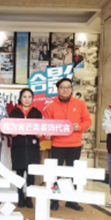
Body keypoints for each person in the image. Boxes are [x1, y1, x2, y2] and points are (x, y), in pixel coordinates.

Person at [42, 78, 93, 210]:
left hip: (74, 144)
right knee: (55, 173)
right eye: (62, 87)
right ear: (58, 89)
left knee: (73, 173)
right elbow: (46, 124)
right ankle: (54, 200)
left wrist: (79, 127)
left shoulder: (80, 104)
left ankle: (71, 200)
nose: (65, 90)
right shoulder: (51, 106)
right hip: (57, 144)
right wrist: (47, 133)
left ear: (71, 89)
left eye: (68, 87)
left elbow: (88, 121)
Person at [8, 88, 42, 208]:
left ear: (32, 99)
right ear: (20, 98)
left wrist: (40, 134)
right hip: (18, 147)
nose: (27, 99)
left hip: (32, 147)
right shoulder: (14, 112)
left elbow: (41, 128)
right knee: (19, 173)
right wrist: (11, 133)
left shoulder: (37, 113)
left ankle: (29, 197)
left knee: (31, 173)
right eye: (24, 97)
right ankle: (20, 196)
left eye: (29, 97)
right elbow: (8, 128)